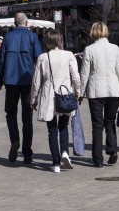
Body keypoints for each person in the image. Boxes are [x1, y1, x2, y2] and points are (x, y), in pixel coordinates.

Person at [0, 12, 44, 164]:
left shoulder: (8, 37)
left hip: (11, 80)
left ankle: (15, 140)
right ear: (27, 23)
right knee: (27, 117)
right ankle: (27, 152)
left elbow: (1, 60)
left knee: (10, 113)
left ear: (14, 23)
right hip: (27, 80)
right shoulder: (32, 37)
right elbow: (40, 58)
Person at [81, 21, 119, 167]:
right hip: (114, 90)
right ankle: (112, 150)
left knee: (97, 125)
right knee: (110, 122)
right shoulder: (115, 49)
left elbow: (84, 74)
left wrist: (79, 92)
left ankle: (98, 159)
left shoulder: (89, 49)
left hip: (96, 91)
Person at [31, 30, 82, 173]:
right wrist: (77, 93)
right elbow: (76, 77)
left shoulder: (43, 57)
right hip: (65, 93)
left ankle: (56, 163)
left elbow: (36, 82)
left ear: (47, 41)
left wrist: (34, 99)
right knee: (64, 126)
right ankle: (65, 152)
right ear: (60, 40)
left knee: (52, 130)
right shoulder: (69, 55)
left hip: (48, 95)